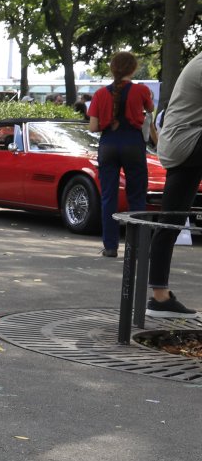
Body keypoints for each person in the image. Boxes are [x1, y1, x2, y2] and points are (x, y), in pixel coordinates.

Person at [145, 55, 202, 318]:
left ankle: (160, 298)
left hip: (184, 144)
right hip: (184, 143)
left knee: (171, 220)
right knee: (170, 221)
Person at [86, 51, 154, 257]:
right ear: (133, 69)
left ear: (112, 69)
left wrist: (109, 122)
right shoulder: (141, 90)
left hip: (108, 144)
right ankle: (137, 247)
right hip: (133, 143)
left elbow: (93, 127)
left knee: (108, 196)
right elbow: (150, 110)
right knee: (137, 196)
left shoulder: (100, 94)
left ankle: (110, 247)